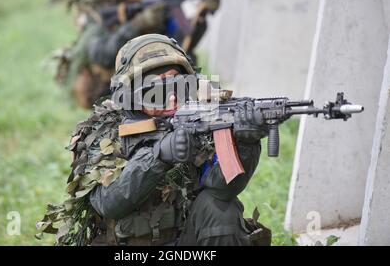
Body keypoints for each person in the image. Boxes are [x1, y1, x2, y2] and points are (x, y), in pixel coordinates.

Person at [37, 34, 271, 246]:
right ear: (130, 95)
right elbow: (108, 203)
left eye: (178, 87)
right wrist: (159, 155)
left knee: (220, 208)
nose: (170, 98)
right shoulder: (104, 131)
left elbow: (222, 189)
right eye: (154, 92)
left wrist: (245, 144)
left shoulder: (199, 119)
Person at [54, 0, 220, 109]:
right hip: (111, 88)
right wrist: (137, 25)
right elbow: (101, 55)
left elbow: (183, 45)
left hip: (154, 81)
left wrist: (200, 17)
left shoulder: (157, 4)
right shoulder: (100, 12)